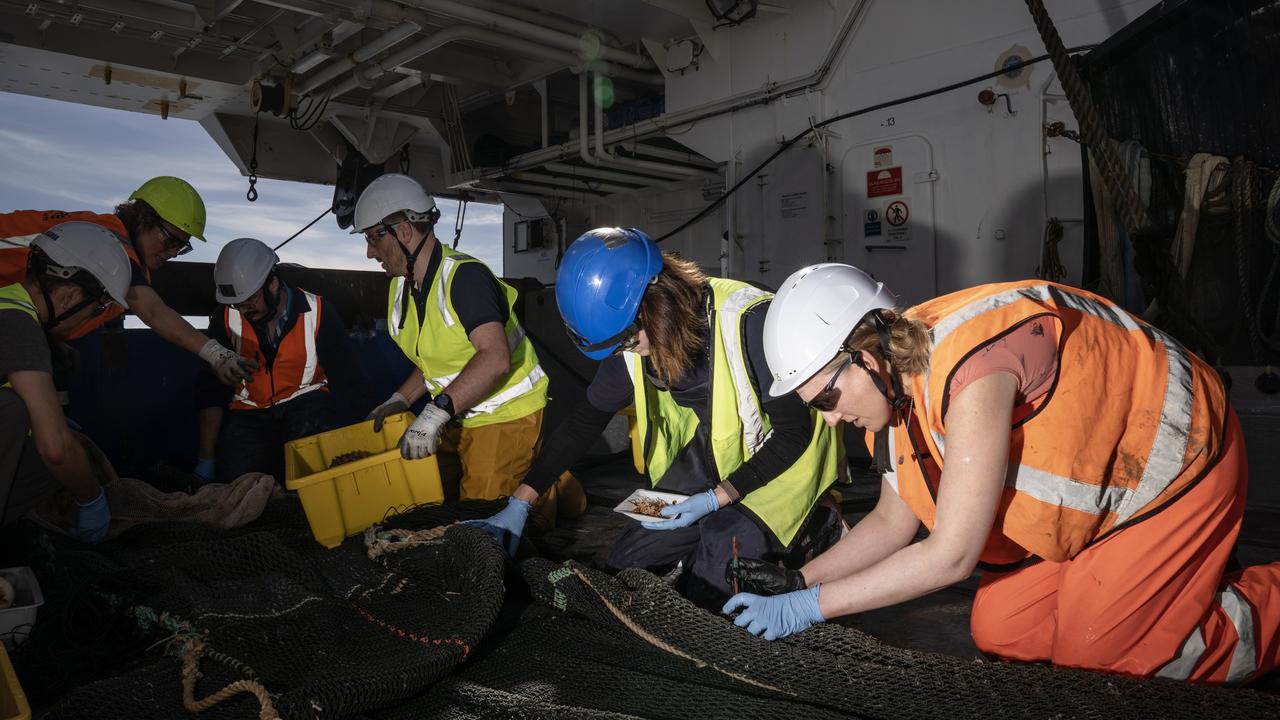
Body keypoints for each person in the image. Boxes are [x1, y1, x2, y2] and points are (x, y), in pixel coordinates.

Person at [723, 263, 1280, 685]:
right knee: (1002, 628)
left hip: (1175, 466)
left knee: (1105, 661)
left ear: (865, 355)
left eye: (827, 397)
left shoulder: (972, 369)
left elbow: (951, 556)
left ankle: (1259, 606)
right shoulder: (895, 397)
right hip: (1101, 506)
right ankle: (1145, 598)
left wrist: (809, 607)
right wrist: (802, 579)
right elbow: (893, 523)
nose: (831, 418)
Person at [470, 228, 844, 607]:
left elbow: (793, 435)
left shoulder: (750, 322)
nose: (629, 353)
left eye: (627, 341)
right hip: (717, 455)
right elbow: (585, 421)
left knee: (719, 570)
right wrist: (520, 502)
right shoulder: (632, 344)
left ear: (657, 300)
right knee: (628, 563)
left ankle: (819, 527)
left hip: (787, 463)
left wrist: (717, 500)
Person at [352, 173, 580, 518]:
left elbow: (495, 359)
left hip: (504, 413)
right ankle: (537, 472)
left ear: (402, 231)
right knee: (424, 489)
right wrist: (401, 399)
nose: (370, 253)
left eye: (372, 239)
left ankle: (549, 489)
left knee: (482, 517)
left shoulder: (465, 279)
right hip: (459, 411)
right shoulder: (403, 287)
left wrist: (435, 411)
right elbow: (438, 359)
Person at [0, 177, 257, 386]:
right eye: (170, 241)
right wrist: (217, 354)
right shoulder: (110, 243)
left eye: (182, 248)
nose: (173, 253)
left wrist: (51, 343)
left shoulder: (110, 253)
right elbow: (154, 312)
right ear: (142, 219)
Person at [193, 238, 368, 484]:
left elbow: (349, 378)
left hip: (307, 405)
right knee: (238, 486)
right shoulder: (224, 318)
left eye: (250, 300)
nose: (243, 310)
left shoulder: (318, 311)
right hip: (249, 415)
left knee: (314, 476)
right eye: (237, 304)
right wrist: (206, 460)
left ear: (272, 283)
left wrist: (369, 434)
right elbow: (210, 389)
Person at [0, 222, 133, 542]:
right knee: (19, 416)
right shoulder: (18, 324)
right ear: (71, 295)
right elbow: (56, 449)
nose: (93, 317)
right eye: (98, 307)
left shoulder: (8, 303)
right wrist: (92, 500)